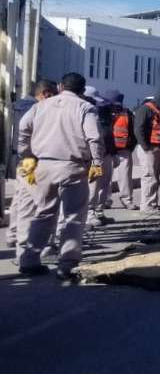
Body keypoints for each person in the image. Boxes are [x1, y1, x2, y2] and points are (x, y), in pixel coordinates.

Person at [16, 72, 104, 278]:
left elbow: (22, 129)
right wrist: (97, 163)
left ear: (61, 86)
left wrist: (26, 154)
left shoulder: (40, 106)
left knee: (43, 213)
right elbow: (94, 137)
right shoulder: (84, 107)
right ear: (82, 91)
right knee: (73, 216)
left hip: (42, 166)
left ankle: (29, 260)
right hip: (72, 167)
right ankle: (67, 264)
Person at [5, 79, 58, 249]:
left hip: (20, 159)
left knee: (19, 199)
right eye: (54, 94)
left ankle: (13, 235)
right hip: (32, 160)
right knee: (33, 203)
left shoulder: (19, 105)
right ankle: (26, 242)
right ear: (46, 94)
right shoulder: (37, 109)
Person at [85, 88, 116, 227]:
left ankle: (99, 211)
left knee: (104, 184)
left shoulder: (102, 111)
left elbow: (108, 133)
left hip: (105, 153)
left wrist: (112, 152)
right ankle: (89, 214)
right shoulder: (84, 112)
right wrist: (96, 160)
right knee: (93, 185)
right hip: (93, 156)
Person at [133, 96, 160, 214]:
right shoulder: (145, 110)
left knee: (154, 177)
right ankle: (147, 205)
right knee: (149, 176)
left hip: (155, 148)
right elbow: (138, 129)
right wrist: (145, 147)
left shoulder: (157, 111)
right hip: (148, 148)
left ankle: (152, 203)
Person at [106, 91, 137, 210]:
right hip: (108, 151)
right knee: (106, 178)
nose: (115, 106)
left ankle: (127, 200)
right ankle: (105, 200)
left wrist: (130, 148)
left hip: (123, 151)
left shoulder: (127, 113)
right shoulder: (103, 112)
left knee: (125, 177)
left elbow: (133, 132)